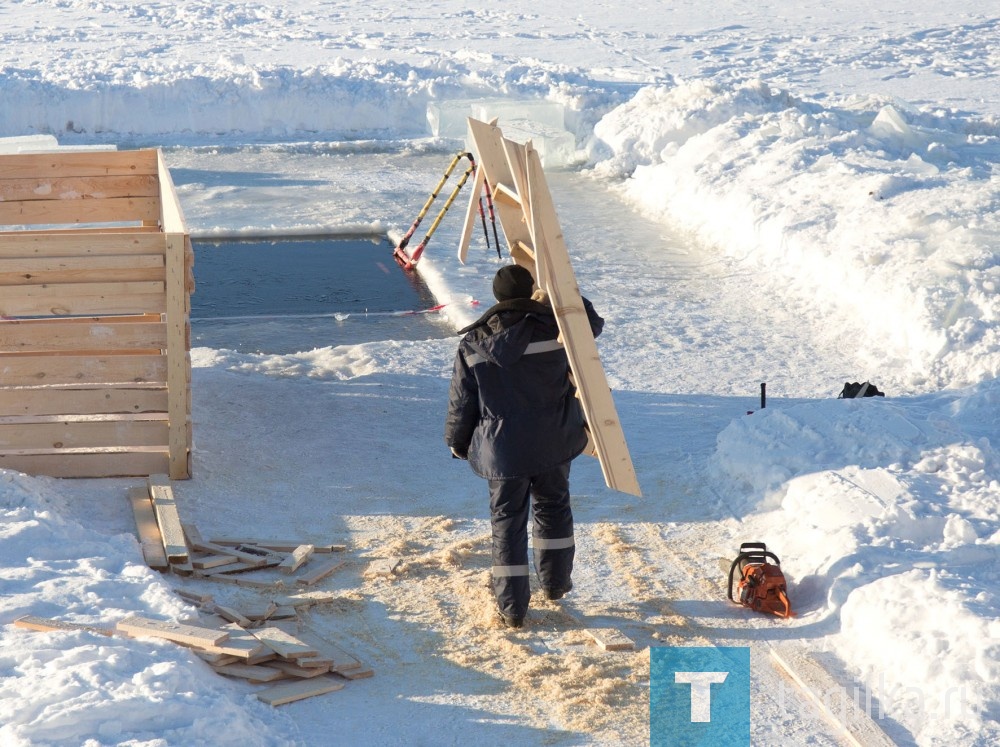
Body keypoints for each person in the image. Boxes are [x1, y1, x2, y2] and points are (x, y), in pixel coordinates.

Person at [445, 264, 604, 628]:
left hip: (503, 452)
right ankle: (555, 584)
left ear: (497, 298)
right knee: (553, 507)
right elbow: (591, 325)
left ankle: (512, 609)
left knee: (507, 523)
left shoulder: (474, 344)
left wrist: (457, 442)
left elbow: (461, 401)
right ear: (533, 289)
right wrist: (565, 292)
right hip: (553, 439)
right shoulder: (557, 330)